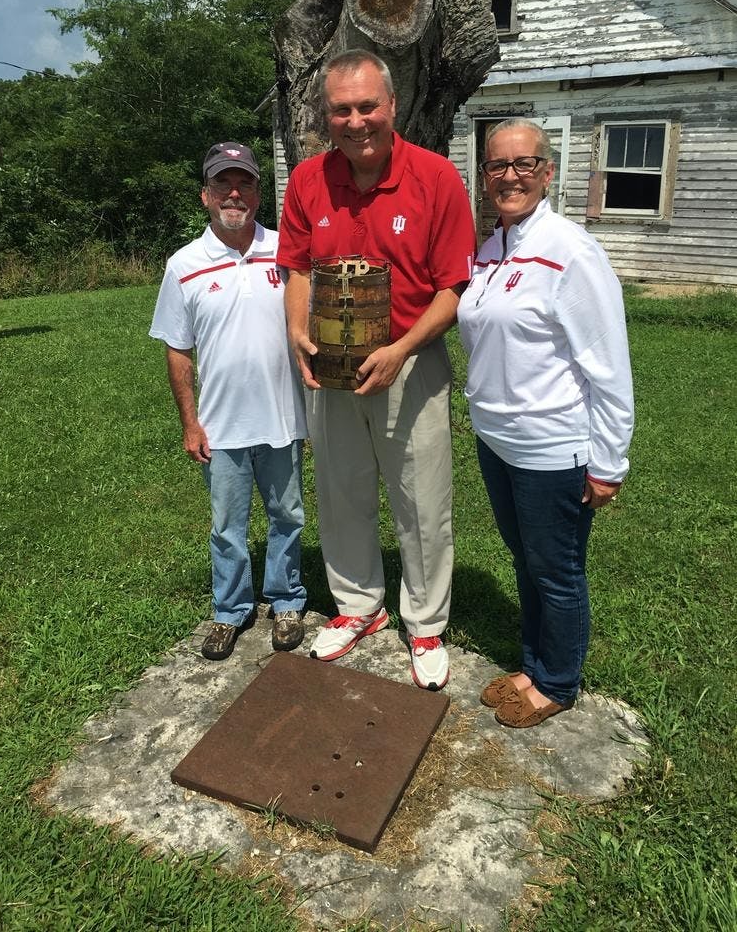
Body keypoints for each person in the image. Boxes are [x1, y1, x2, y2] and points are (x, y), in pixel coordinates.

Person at [279, 49, 476, 691]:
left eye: (368, 106)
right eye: (342, 109)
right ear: (326, 114)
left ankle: (424, 623)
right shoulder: (309, 180)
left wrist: (401, 350)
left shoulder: (436, 178)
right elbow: (298, 266)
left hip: (409, 361)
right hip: (332, 364)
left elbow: (452, 288)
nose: (356, 121)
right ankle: (358, 605)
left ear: (392, 106)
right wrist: (297, 331)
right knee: (341, 492)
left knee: (421, 500)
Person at [458, 118, 634, 727]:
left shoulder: (570, 251)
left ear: (548, 171)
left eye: (523, 165)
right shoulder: (491, 247)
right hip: (497, 441)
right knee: (524, 558)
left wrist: (609, 462)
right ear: (484, 176)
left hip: (551, 445)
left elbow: (609, 367)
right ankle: (533, 663)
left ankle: (556, 682)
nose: (509, 176)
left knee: (556, 570)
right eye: (496, 166)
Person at [150, 141, 308, 660]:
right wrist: (190, 423)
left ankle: (286, 600)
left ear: (260, 193)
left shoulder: (286, 254)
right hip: (220, 425)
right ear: (205, 195)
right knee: (227, 526)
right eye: (223, 183)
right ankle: (230, 610)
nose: (234, 193)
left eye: (244, 183)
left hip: (283, 417)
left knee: (287, 515)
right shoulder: (183, 265)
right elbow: (178, 350)